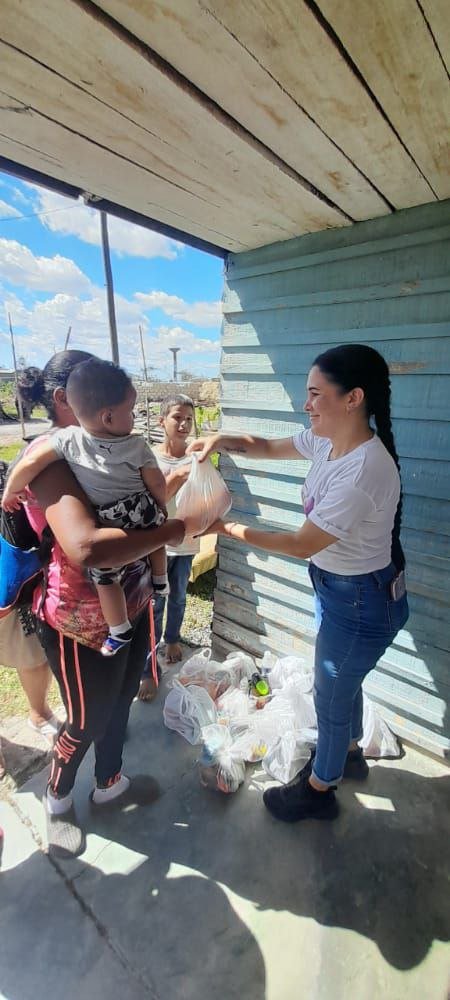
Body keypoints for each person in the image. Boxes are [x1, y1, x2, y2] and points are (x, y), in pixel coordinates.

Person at [188, 344, 409, 823]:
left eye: (314, 394)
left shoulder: (364, 468)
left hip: (359, 600)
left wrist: (224, 529)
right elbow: (266, 447)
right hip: (339, 591)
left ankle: (319, 789)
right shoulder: (327, 441)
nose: (306, 404)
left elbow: (299, 543)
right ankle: (348, 753)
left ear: (352, 398)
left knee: (330, 697)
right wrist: (220, 439)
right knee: (341, 685)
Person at [5, 350, 185, 857]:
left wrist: (155, 531)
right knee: (85, 717)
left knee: (121, 699)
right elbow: (87, 547)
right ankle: (57, 795)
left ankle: (109, 780)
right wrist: (169, 529)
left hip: (127, 602)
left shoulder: (114, 445)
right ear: (69, 400)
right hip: (78, 618)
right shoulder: (53, 455)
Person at [3, 359, 169, 657]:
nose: (134, 417)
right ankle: (161, 579)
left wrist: (11, 490)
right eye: (131, 412)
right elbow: (155, 482)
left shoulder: (67, 441)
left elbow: (29, 464)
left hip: (110, 520)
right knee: (157, 531)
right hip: (137, 514)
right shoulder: (136, 444)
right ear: (107, 416)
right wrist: (162, 504)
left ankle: (119, 628)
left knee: (107, 577)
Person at [138, 394, 200, 701]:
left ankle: (173, 639)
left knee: (178, 597)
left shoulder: (197, 458)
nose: (184, 424)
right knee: (152, 607)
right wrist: (178, 476)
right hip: (155, 548)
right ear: (162, 421)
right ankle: (148, 669)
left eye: (189, 418)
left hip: (186, 544)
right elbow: (153, 502)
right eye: (177, 417)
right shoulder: (150, 459)